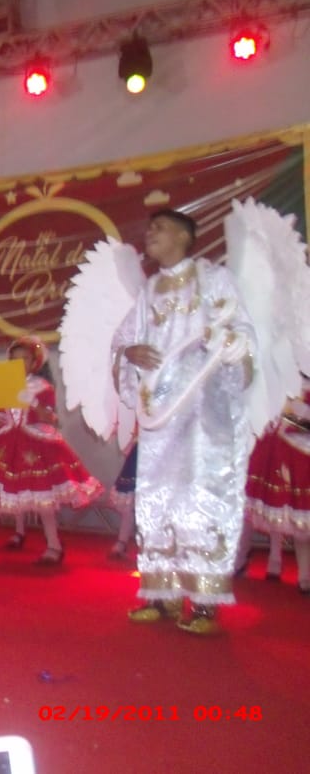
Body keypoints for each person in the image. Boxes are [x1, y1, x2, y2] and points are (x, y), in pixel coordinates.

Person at [113, 208, 256, 634]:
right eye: (149, 228)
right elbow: (124, 340)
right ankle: (163, 597)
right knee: (157, 499)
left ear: (185, 236)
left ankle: (207, 603)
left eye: (159, 228)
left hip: (203, 414)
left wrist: (229, 344)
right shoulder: (149, 290)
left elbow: (242, 332)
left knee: (202, 499)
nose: (150, 233)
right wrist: (129, 353)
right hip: (161, 416)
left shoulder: (214, 280)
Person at [0, 335, 102, 565]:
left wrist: (34, 402)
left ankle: (54, 545)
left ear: (35, 362)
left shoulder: (43, 387)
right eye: (14, 360)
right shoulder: (6, 384)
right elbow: (1, 419)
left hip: (34, 444)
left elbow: (50, 418)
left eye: (24, 359)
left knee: (43, 498)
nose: (18, 364)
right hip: (7, 446)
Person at [238, 375, 310, 592]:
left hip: (300, 438)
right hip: (279, 430)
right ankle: (270, 559)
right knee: (274, 499)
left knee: (300, 509)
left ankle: (302, 573)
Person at [107, 440, 138, 561]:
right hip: (140, 453)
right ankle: (122, 542)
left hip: (161, 453)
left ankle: (155, 545)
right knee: (128, 502)